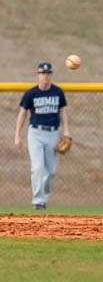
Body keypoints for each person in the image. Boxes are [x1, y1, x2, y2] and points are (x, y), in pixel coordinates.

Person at [14, 63, 70, 210]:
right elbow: (22, 114)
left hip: (53, 133)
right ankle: (38, 201)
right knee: (38, 168)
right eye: (42, 73)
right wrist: (17, 136)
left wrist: (66, 130)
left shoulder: (58, 92)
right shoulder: (31, 93)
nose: (45, 76)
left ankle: (43, 198)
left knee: (50, 171)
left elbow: (63, 111)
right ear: (38, 75)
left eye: (48, 73)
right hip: (35, 133)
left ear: (51, 75)